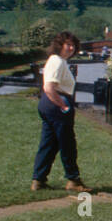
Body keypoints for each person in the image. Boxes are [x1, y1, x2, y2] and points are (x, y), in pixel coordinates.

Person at [32, 32, 88, 192]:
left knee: (49, 144)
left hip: (49, 105)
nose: (71, 48)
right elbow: (49, 88)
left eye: (73, 45)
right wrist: (63, 106)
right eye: (68, 44)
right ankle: (73, 180)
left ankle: (38, 180)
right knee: (67, 143)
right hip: (57, 103)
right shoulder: (57, 61)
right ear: (59, 45)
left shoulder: (57, 61)